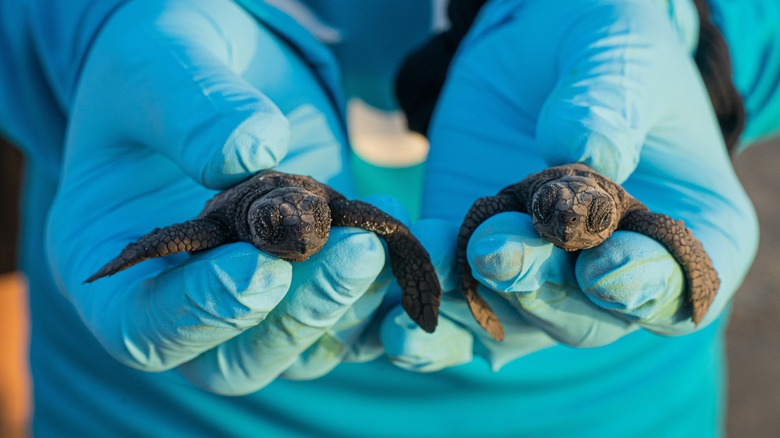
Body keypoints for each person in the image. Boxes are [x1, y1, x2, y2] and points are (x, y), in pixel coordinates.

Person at [0, 0, 778, 435]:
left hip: (603, 407)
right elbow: (389, 239)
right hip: (154, 413)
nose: (306, 232)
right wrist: (80, 27)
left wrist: (697, 35)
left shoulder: (543, 202)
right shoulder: (309, 214)